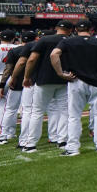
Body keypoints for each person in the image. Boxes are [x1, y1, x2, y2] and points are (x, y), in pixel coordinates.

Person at [50, 19, 97, 156]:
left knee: (74, 115)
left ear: (76, 30)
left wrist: (60, 73)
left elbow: (54, 54)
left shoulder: (67, 41)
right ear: (91, 29)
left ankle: (72, 147)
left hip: (76, 81)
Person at [21, 21, 73, 153]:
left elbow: (32, 59)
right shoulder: (72, 40)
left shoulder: (45, 39)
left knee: (37, 112)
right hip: (66, 79)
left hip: (44, 79)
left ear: (56, 28)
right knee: (64, 111)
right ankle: (62, 141)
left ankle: (31, 143)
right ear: (70, 29)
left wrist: (26, 77)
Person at [0, 32, 31, 145]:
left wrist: (2, 84)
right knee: (28, 111)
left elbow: (8, 69)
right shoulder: (38, 49)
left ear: (21, 39)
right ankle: (26, 137)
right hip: (32, 83)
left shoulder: (14, 51)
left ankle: (3, 136)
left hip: (16, 83)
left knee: (10, 109)